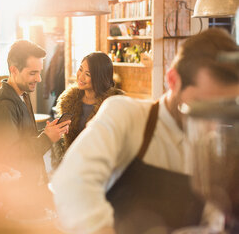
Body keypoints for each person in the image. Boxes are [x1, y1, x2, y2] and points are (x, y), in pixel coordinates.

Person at [51, 28, 239, 234]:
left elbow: (213, 219)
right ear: (173, 81)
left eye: (224, 107)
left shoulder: (217, 147)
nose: (212, 123)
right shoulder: (126, 115)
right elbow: (72, 182)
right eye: (201, 104)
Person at [0, 40, 70, 205]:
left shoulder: (21, 95)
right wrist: (46, 138)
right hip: (14, 196)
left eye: (39, 72)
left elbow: (23, 139)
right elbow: (10, 155)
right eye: (32, 73)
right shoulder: (4, 105)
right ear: (13, 70)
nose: (39, 78)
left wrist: (46, 132)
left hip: (28, 188)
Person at [51, 52, 123, 169]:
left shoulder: (112, 107)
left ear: (100, 77)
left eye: (88, 74)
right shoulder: (68, 103)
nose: (80, 76)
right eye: (80, 69)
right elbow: (62, 144)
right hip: (72, 169)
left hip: (99, 171)